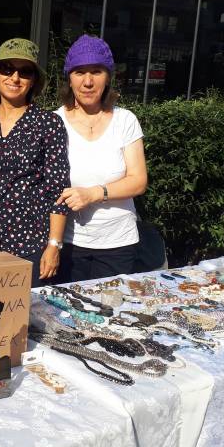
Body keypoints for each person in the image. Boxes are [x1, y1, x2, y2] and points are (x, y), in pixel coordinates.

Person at [0, 38, 70, 286]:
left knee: (27, 310)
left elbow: (58, 188)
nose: (15, 77)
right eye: (7, 69)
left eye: (25, 72)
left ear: (33, 80)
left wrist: (54, 245)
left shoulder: (48, 124)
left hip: (30, 246)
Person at [54, 35, 148, 281]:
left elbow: (138, 181)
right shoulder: (54, 122)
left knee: (110, 305)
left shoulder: (125, 120)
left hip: (118, 244)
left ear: (108, 77)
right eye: (79, 72)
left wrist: (93, 194)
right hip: (68, 242)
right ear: (69, 78)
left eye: (96, 71)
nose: (88, 82)